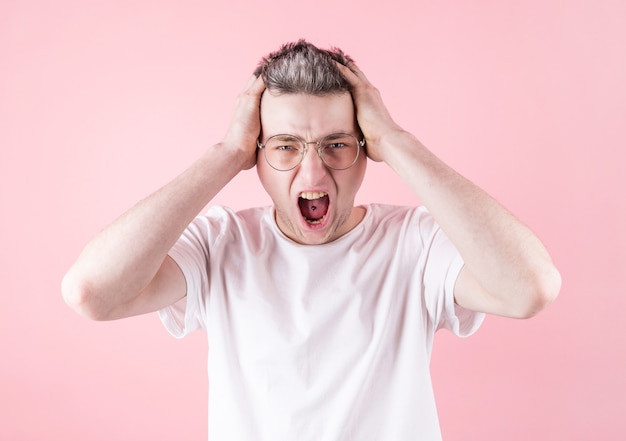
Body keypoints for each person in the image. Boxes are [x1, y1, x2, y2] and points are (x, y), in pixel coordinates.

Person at [62, 40, 561, 440]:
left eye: (337, 145)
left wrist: (395, 140)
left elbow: (530, 288)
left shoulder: (415, 245)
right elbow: (91, 293)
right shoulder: (221, 243)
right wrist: (226, 151)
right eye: (285, 147)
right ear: (257, 154)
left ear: (365, 152)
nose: (313, 170)